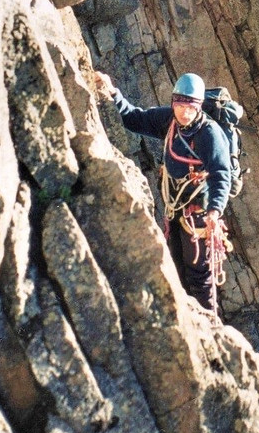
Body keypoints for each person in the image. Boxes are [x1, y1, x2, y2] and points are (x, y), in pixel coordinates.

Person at [93, 69, 232, 314]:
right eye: (180, 105)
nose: (184, 112)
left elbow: (221, 173)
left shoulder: (209, 134)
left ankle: (210, 323)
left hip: (198, 214)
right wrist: (113, 93)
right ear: (173, 102)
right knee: (176, 268)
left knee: (199, 276)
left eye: (191, 107)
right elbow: (135, 118)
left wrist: (214, 211)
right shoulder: (169, 121)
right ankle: (188, 318)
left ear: (199, 107)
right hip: (175, 210)